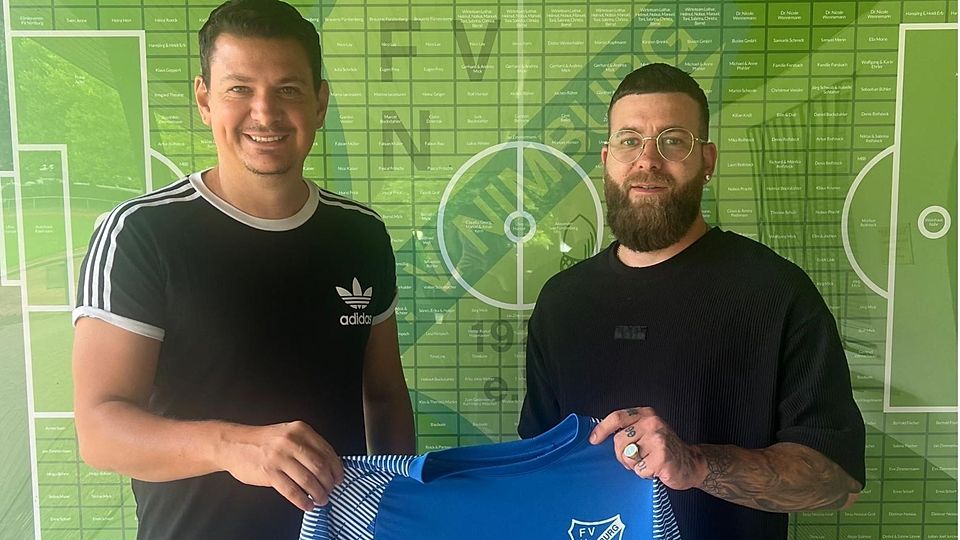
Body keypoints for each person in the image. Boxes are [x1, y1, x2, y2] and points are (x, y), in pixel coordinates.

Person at [71, 1, 415, 538]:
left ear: (320, 103)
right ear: (204, 100)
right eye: (239, 89)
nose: (265, 113)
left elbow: (385, 394)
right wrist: (232, 446)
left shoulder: (361, 234)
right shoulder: (140, 233)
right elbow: (99, 431)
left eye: (288, 90)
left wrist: (400, 514)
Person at [518, 63, 865, 540]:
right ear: (607, 158)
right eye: (629, 140)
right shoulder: (561, 302)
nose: (647, 160)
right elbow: (538, 466)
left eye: (673, 141)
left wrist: (698, 465)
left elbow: (838, 484)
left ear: (707, 160)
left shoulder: (776, 292)